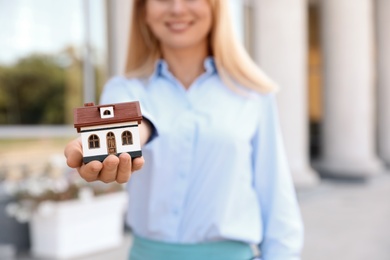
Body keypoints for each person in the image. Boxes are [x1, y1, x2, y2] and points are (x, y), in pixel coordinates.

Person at [64, 0, 304, 259]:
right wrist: (127, 136)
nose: (177, 8)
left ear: (215, 7)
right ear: (143, 11)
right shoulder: (123, 89)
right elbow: (136, 121)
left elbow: (276, 200)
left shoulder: (253, 94)